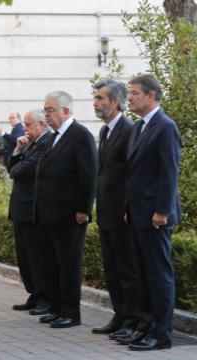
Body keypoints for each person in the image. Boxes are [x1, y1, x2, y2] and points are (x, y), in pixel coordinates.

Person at [125, 74, 181, 351]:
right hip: (137, 213)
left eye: (135, 93)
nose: (130, 97)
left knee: (159, 276)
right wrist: (127, 208)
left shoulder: (165, 127)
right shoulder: (138, 127)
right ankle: (145, 327)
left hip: (156, 216)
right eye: (130, 93)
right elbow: (133, 173)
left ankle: (162, 334)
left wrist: (162, 211)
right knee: (143, 274)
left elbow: (169, 172)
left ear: (151, 95)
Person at [90, 79, 147, 343]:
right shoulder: (105, 131)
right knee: (112, 268)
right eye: (95, 98)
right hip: (105, 212)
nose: (96, 102)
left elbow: (132, 174)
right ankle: (119, 315)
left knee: (126, 269)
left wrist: (127, 208)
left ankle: (132, 319)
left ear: (115, 102)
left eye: (101, 98)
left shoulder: (129, 129)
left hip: (122, 215)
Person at [34, 90, 97, 329]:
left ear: (66, 111)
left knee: (68, 264)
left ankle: (71, 312)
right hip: (49, 213)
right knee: (51, 263)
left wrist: (83, 209)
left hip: (70, 214)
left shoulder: (80, 135)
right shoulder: (53, 136)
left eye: (50, 110)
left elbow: (88, 175)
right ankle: (57, 307)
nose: (46, 114)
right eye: (45, 110)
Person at [7, 109, 51, 316]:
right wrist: (17, 149)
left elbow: (22, 170)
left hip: (34, 208)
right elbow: (11, 167)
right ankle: (33, 293)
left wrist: (17, 165)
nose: (25, 128)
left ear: (42, 124)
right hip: (20, 208)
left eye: (29, 124)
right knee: (24, 256)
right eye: (24, 124)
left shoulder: (46, 143)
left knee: (37, 256)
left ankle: (44, 296)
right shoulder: (29, 143)